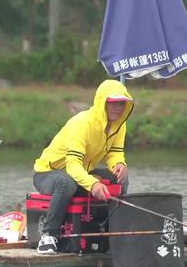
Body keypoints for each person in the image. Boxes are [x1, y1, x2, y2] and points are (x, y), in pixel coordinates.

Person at [32, 79, 133, 254]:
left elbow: (115, 152)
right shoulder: (83, 123)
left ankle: (113, 234)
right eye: (113, 102)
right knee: (67, 182)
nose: (118, 107)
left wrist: (119, 164)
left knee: (120, 180)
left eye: (122, 103)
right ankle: (48, 236)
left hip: (80, 172)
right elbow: (72, 165)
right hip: (48, 173)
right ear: (102, 102)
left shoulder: (119, 125)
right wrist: (93, 184)